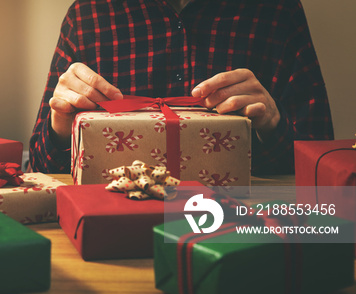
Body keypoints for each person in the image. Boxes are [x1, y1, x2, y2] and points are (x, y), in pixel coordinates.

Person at [29, 0, 333, 175]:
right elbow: (41, 165)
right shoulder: (88, 15)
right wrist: (60, 129)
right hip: (113, 225)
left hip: (242, 227)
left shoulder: (275, 10)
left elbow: (323, 164)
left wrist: (271, 126)